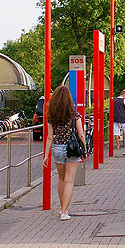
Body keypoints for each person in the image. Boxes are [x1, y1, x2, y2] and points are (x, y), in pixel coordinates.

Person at [41, 85, 86, 220]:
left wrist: (45, 155)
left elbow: (50, 136)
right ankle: (65, 211)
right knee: (69, 180)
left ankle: (62, 208)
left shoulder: (52, 115)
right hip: (72, 149)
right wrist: (84, 148)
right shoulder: (74, 114)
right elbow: (81, 134)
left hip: (57, 148)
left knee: (61, 178)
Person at [113, 89, 125, 155]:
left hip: (115, 117)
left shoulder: (114, 100)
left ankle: (118, 145)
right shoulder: (124, 100)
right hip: (122, 117)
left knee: (116, 132)